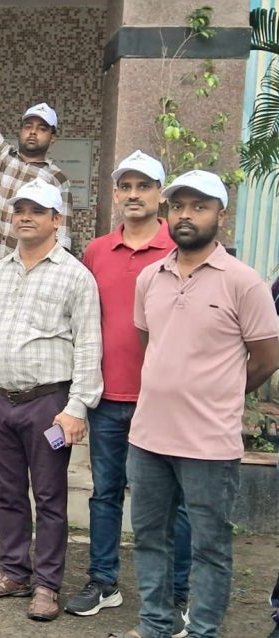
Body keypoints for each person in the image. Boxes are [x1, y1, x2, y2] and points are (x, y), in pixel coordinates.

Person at [114, 170, 279, 638]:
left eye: (199, 206)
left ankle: (203, 630)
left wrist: (220, 392)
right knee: (150, 539)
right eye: (179, 206)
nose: (186, 215)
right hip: (148, 437)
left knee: (210, 547)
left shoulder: (243, 282)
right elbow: (151, 343)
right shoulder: (150, 277)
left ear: (220, 216)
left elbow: (267, 358)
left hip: (209, 443)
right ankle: (156, 624)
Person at [0, 178, 102, 622]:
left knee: (50, 497)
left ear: (56, 220)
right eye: (20, 209)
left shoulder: (75, 275)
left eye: (37, 211)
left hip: (47, 404)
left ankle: (47, 585)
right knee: (8, 493)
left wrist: (76, 407)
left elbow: (88, 345)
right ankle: (15, 573)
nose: (25, 217)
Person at [66, 151, 193, 629]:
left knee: (172, 504)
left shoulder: (179, 247)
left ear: (161, 194)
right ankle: (103, 581)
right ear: (116, 194)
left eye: (144, 186)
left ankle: (177, 593)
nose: (134, 195)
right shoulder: (97, 251)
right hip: (107, 398)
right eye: (126, 186)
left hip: (165, 402)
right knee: (105, 494)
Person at [0, 103, 72, 254]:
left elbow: (61, 238)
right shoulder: (2, 156)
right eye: (28, 126)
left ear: (52, 137)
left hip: (22, 264)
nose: (33, 132)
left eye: (41, 129)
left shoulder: (58, 179)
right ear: (20, 131)